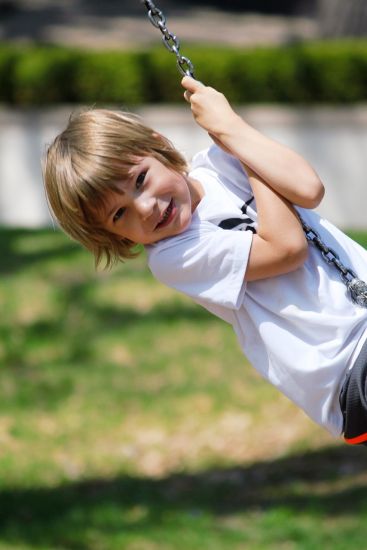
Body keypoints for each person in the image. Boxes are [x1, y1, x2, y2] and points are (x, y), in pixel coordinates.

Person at [43, 76, 367, 446]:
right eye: (120, 215)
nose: (145, 208)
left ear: (158, 145)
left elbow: (309, 189)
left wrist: (232, 129)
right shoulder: (174, 255)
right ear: (114, 236)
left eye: (141, 180)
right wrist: (240, 146)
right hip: (344, 366)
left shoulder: (219, 164)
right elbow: (286, 249)